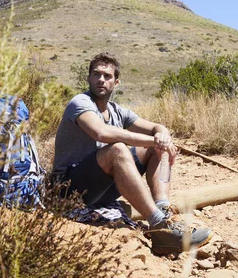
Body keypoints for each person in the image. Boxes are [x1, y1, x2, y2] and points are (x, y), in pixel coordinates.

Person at [53, 52, 212, 254]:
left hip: (100, 189)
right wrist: (157, 141)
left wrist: (162, 136)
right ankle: (159, 226)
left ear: (116, 82)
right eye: (96, 74)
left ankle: (163, 211)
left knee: (154, 148)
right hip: (67, 189)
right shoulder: (80, 103)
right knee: (118, 149)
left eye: (107, 76)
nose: (101, 79)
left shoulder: (117, 110)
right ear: (89, 78)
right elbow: (101, 133)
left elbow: (156, 126)